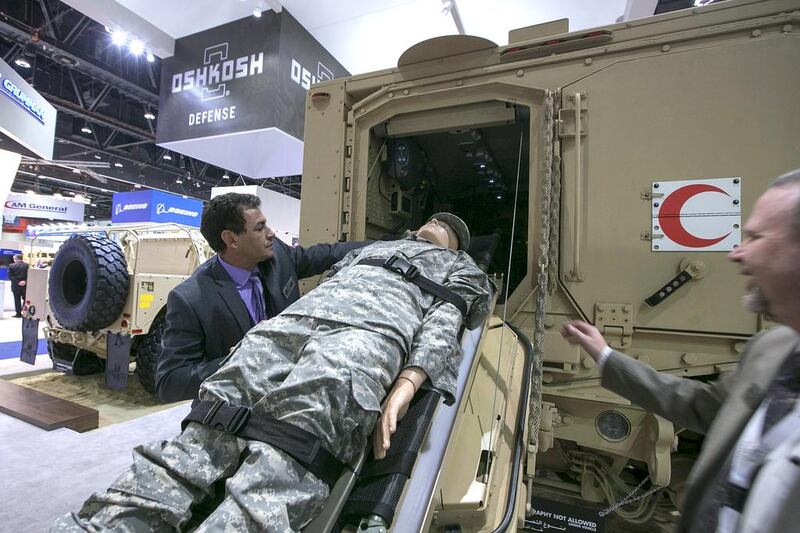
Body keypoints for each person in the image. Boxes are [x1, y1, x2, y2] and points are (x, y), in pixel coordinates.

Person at [52, 213, 494, 532]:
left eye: (450, 228)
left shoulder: (460, 269)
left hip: (363, 340)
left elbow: (445, 322)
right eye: (435, 220)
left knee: (289, 454)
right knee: (205, 431)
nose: (439, 224)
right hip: (285, 330)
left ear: (456, 246)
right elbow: (327, 274)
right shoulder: (374, 250)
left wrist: (408, 382)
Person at [561, 168, 800, 533]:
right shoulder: (771, 350)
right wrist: (605, 356)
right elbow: (697, 405)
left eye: (756, 237)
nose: (737, 252)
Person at [156, 192, 366, 402]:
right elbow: (170, 382)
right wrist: (246, 358)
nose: (271, 233)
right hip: (234, 408)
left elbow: (324, 254)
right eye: (259, 228)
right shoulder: (191, 298)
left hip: (290, 393)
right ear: (231, 239)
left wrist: (385, 246)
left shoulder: (278, 257)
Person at [8, 254, 28, 318]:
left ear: (16, 259)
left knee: (17, 300)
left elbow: (10, 276)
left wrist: (18, 282)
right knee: (26, 299)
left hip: (16, 286)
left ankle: (18, 313)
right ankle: (25, 312)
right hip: (25, 286)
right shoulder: (27, 265)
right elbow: (30, 275)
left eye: (14, 259)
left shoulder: (11, 266)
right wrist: (25, 281)